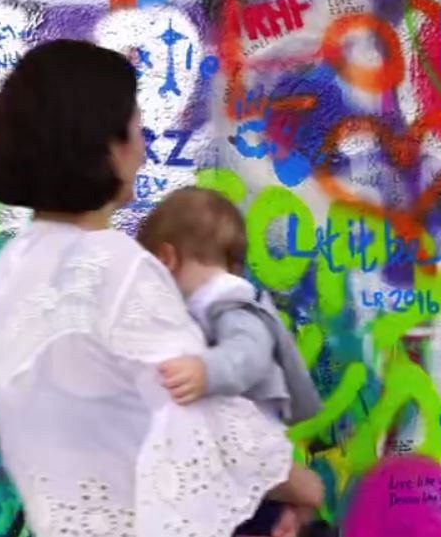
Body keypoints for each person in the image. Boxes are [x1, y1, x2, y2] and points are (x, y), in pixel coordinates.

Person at [0, 39, 323, 536]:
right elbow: (205, 417)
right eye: (136, 127)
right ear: (105, 144)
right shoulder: (114, 267)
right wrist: (304, 486)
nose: (143, 147)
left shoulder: (8, 271)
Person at [137, 187, 324, 535]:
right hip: (247, 467)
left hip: (255, 465)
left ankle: (284, 514)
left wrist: (205, 371)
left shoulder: (228, 301)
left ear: (165, 259)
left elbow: (249, 352)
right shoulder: (214, 303)